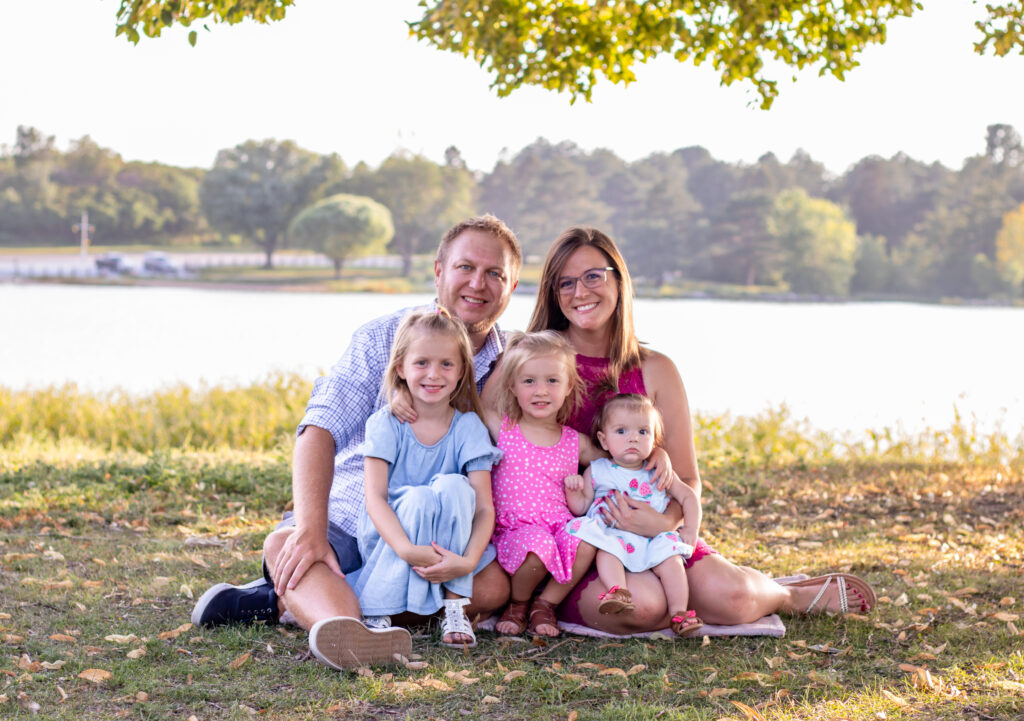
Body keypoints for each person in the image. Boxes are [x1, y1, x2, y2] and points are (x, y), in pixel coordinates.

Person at [190, 215, 522, 669]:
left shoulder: (516, 360)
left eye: (495, 274)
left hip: (440, 533)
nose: (478, 283)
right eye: (465, 267)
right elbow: (319, 427)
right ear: (439, 270)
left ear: (514, 284)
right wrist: (309, 526)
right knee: (287, 543)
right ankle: (344, 627)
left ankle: (287, 605)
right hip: (358, 513)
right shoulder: (382, 338)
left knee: (492, 589)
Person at [528, 226, 876, 634]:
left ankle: (786, 594)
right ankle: (678, 596)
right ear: (553, 293)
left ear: (619, 280)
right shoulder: (537, 363)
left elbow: (688, 477)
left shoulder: (656, 369)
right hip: (583, 539)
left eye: (593, 276)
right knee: (642, 609)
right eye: (565, 283)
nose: (580, 291)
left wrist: (665, 522)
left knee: (733, 597)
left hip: (657, 528)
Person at [349, 308, 501, 651]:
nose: (434, 374)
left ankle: (454, 605)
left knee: (454, 486)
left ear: (462, 371)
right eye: (422, 363)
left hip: (451, 544)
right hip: (394, 537)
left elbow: (483, 509)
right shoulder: (386, 423)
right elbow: (375, 498)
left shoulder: (468, 428)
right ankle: (377, 611)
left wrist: (468, 561)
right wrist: (406, 548)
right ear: (400, 367)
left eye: (446, 364)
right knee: (418, 498)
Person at [479, 331, 601, 637]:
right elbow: (479, 406)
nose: (541, 391)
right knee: (539, 544)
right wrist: (508, 356)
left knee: (587, 537)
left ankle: (545, 604)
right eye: (528, 381)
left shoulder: (576, 442)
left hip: (559, 524)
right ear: (513, 385)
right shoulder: (506, 428)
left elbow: (610, 460)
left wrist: (659, 455)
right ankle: (517, 604)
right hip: (517, 528)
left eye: (552, 381)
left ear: (568, 386)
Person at [565, 393, 704, 637]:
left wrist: (691, 528)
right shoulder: (598, 470)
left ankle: (679, 613)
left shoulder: (657, 471)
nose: (633, 438)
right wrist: (573, 490)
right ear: (603, 440)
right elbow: (581, 506)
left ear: (653, 439)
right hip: (614, 535)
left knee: (672, 562)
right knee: (607, 552)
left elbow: (688, 497)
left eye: (643, 432)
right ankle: (618, 591)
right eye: (621, 431)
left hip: (654, 538)